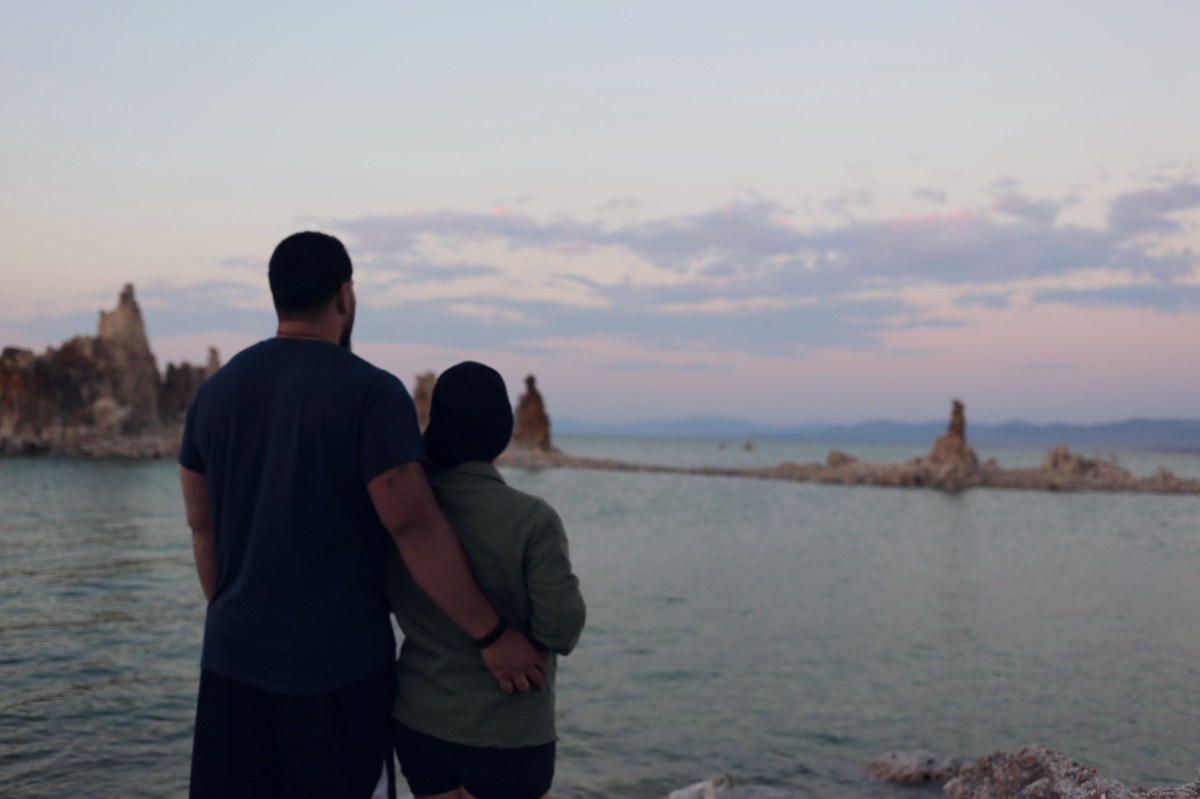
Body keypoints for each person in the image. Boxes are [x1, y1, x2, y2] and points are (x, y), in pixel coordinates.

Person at [179, 232, 546, 799]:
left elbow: (203, 528)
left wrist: (240, 621)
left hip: (231, 666)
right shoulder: (370, 393)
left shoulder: (213, 394)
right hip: (339, 674)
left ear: (277, 297)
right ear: (344, 296)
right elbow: (413, 526)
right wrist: (492, 634)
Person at [386, 361, 586, 799]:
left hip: (419, 720)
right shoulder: (532, 520)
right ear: (503, 430)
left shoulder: (407, 513)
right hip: (509, 732)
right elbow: (562, 630)